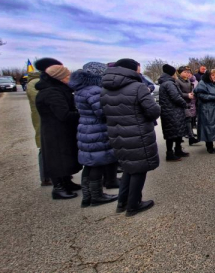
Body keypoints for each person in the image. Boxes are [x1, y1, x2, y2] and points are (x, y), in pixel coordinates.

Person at [101, 58, 160, 217]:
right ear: (133, 69)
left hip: (117, 133)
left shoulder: (105, 88)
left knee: (128, 167)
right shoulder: (138, 87)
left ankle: (122, 202)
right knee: (139, 169)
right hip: (137, 133)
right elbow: (153, 111)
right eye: (139, 68)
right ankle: (134, 204)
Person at [69, 62, 118, 208]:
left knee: (89, 164)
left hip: (86, 129)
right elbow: (102, 112)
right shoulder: (94, 90)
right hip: (96, 130)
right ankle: (96, 196)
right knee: (97, 163)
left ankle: (87, 196)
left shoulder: (81, 89)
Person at [35, 60, 82, 199]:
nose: (69, 79)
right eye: (67, 76)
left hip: (62, 130)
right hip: (55, 131)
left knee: (66, 157)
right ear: (59, 78)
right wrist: (83, 113)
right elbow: (64, 114)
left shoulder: (58, 90)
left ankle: (67, 181)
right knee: (57, 158)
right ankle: (58, 187)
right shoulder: (51, 93)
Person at [26, 67, 52, 186]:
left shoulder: (37, 82)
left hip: (45, 118)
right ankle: (46, 177)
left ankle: (54, 173)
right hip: (42, 119)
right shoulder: (35, 83)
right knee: (44, 146)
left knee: (50, 146)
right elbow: (43, 99)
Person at [158, 64, 190, 161]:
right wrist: (185, 104)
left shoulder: (167, 82)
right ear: (172, 73)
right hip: (172, 112)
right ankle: (170, 154)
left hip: (172, 112)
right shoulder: (169, 83)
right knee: (171, 134)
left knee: (176, 132)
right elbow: (176, 97)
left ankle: (178, 150)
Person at [194, 69, 215, 154]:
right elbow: (200, 95)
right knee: (209, 126)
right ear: (208, 76)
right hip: (207, 109)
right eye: (212, 75)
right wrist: (214, 97)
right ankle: (209, 146)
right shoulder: (202, 83)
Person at [175, 66, 199, 145]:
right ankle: (188, 138)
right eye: (185, 72)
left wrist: (192, 94)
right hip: (182, 103)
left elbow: (190, 90)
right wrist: (187, 95)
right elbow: (178, 93)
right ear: (180, 73)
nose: (187, 73)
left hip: (189, 103)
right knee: (185, 120)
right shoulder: (177, 81)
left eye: (188, 72)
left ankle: (190, 137)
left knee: (189, 120)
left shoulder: (188, 80)